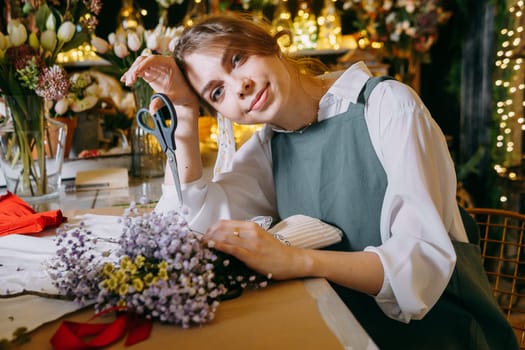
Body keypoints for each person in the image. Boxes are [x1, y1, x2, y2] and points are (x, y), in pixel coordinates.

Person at [121, 14, 517, 350]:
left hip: (441, 337)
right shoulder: (270, 145)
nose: (238, 86)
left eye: (237, 59)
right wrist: (185, 116)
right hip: (342, 332)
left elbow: (421, 265)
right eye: (217, 91)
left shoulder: (386, 106)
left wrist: (297, 260)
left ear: (268, 43)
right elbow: (190, 229)